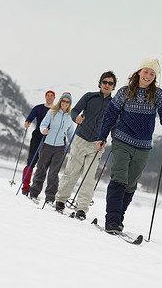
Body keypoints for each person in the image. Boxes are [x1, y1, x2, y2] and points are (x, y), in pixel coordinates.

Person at [96, 58, 162, 233]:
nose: (148, 76)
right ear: (139, 72)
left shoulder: (157, 94)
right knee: (119, 178)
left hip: (143, 145)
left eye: (152, 73)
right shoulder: (125, 92)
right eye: (146, 71)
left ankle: (119, 218)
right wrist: (102, 137)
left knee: (131, 184)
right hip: (122, 140)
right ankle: (112, 220)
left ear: (155, 77)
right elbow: (110, 115)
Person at [55, 71, 117, 220]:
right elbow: (75, 110)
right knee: (72, 172)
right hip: (80, 138)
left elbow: (115, 124)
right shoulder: (89, 96)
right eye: (105, 82)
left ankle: (82, 208)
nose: (107, 85)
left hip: (97, 144)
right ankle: (60, 200)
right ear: (100, 83)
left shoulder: (115, 104)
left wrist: (115, 139)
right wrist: (76, 118)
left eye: (110, 83)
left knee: (89, 177)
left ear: (114, 86)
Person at [29, 93, 75, 205]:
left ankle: (50, 197)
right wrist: (44, 130)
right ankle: (34, 193)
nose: (64, 103)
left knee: (54, 173)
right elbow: (43, 124)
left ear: (69, 104)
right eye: (63, 101)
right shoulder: (52, 112)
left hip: (60, 147)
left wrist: (73, 143)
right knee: (41, 168)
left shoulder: (69, 117)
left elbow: (70, 133)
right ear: (60, 102)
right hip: (47, 144)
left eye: (67, 102)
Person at [21, 90, 55, 196]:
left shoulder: (55, 110)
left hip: (49, 138)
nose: (49, 97)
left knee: (43, 164)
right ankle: (25, 187)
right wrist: (27, 122)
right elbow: (30, 118)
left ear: (54, 98)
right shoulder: (38, 108)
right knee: (31, 161)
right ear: (45, 97)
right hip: (37, 136)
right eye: (48, 95)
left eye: (51, 96)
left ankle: (36, 188)